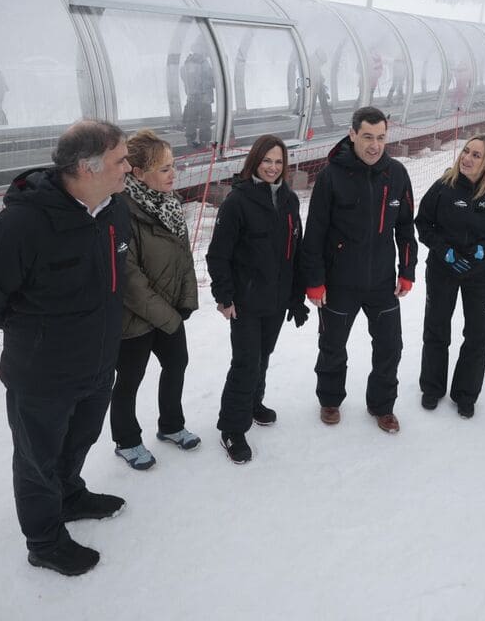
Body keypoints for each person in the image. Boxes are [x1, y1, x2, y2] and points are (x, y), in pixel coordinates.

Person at [0, 119, 131, 577]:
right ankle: (44, 541)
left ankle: (70, 496)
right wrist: (39, 333)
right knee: (37, 461)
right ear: (87, 168)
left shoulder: (114, 210)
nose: (129, 168)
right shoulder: (21, 224)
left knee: (80, 440)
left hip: (97, 365)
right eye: (121, 160)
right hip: (42, 375)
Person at [301, 106, 418, 433]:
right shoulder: (331, 176)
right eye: (367, 136)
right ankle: (330, 398)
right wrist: (315, 280)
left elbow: (406, 228)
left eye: (381, 137)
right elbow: (315, 233)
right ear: (352, 135)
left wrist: (406, 270)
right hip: (340, 282)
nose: (374, 145)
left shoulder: (396, 174)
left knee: (390, 346)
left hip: (381, 281)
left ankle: (382, 405)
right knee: (332, 345)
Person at [206, 135, 309, 463]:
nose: (273, 168)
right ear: (255, 162)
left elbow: (295, 251)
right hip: (246, 300)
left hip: (276, 300)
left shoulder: (289, 200)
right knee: (246, 361)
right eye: (267, 161)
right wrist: (224, 296)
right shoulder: (237, 202)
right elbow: (217, 254)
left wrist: (296, 297)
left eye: (278, 162)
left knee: (263, 355)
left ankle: (252, 403)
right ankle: (232, 428)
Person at [111, 129, 202, 471]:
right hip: (133, 318)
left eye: (172, 166)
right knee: (130, 378)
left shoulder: (170, 205)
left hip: (168, 312)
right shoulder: (122, 211)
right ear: (138, 172)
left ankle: (171, 425)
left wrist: (185, 301)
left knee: (177, 364)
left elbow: (183, 260)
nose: (172, 174)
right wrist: (168, 315)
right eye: (163, 168)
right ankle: (127, 440)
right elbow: (130, 278)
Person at [414, 135, 485, 418]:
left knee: (478, 334)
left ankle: (466, 394)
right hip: (443, 269)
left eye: (476, 155)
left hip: (479, 275)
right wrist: (443, 249)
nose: (467, 158)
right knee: (436, 329)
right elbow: (423, 223)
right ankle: (432, 388)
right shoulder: (443, 188)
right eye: (466, 151)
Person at [180, 44, 216, 148]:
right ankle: (204, 142)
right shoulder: (203, 62)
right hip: (204, 97)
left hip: (191, 97)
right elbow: (209, 79)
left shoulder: (187, 62)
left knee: (191, 120)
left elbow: (183, 76)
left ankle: (190, 141)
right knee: (205, 121)